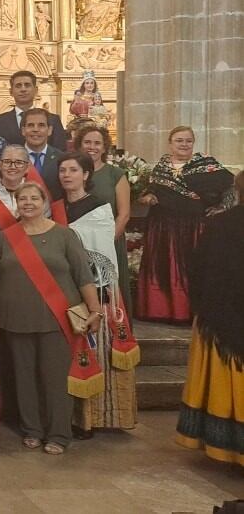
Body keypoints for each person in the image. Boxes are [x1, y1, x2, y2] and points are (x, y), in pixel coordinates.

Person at [0, 182, 102, 455]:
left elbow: (83, 276)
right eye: (21, 198)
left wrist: (95, 310)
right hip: (15, 318)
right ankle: (32, 429)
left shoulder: (65, 235)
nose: (27, 203)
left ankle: (59, 433)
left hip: (57, 318)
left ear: (44, 202)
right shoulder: (6, 237)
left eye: (33, 198)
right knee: (24, 377)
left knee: (56, 377)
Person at [59, 152, 138, 436]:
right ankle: (72, 418)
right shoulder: (55, 208)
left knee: (93, 352)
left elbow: (101, 253)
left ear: (86, 175)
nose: (66, 175)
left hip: (95, 291)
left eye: (73, 170)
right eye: (63, 170)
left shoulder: (99, 208)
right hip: (63, 291)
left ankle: (96, 418)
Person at [176, 171, 244, 469]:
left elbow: (196, 267)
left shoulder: (219, 225)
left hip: (220, 319)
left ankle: (225, 446)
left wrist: (202, 307)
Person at [136, 126, 235, 323]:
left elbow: (230, 185)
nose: (184, 144)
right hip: (163, 227)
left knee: (193, 268)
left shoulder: (207, 164)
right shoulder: (161, 167)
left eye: (188, 140)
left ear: (193, 143)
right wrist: (148, 196)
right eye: (179, 140)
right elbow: (151, 190)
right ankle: (163, 311)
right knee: (165, 268)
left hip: (194, 226)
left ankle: (193, 311)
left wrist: (222, 208)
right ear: (170, 143)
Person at [74, 126, 132, 313]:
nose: (92, 147)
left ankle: (120, 339)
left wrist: (105, 244)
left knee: (113, 293)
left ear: (105, 147)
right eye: (87, 142)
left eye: (97, 143)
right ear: (79, 145)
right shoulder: (72, 171)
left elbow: (123, 214)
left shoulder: (115, 174)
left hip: (109, 245)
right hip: (78, 246)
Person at [0, 70, 68, 150]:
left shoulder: (53, 119)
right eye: (18, 86)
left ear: (36, 90)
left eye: (27, 85)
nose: (23, 89)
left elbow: (60, 151)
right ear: (11, 92)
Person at [21, 108, 66, 203]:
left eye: (41, 125)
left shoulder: (62, 159)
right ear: (23, 130)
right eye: (30, 125)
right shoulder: (12, 158)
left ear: (49, 130)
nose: (35, 130)